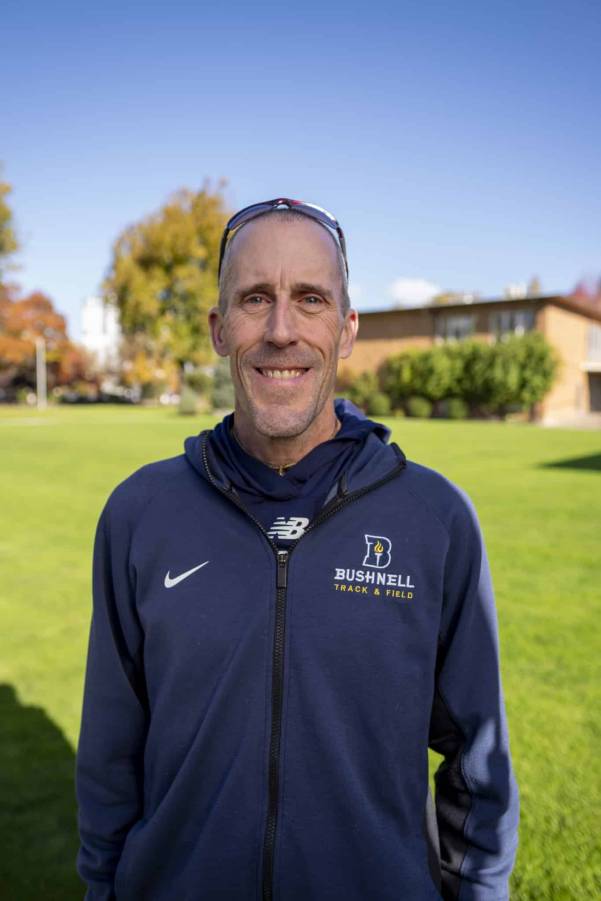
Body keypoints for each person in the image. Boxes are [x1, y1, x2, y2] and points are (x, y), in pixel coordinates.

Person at [76, 198, 519, 900]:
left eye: (309, 299)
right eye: (255, 298)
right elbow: (109, 752)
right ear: (220, 330)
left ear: (345, 331)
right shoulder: (140, 513)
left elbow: (477, 762)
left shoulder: (436, 519)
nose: (281, 330)